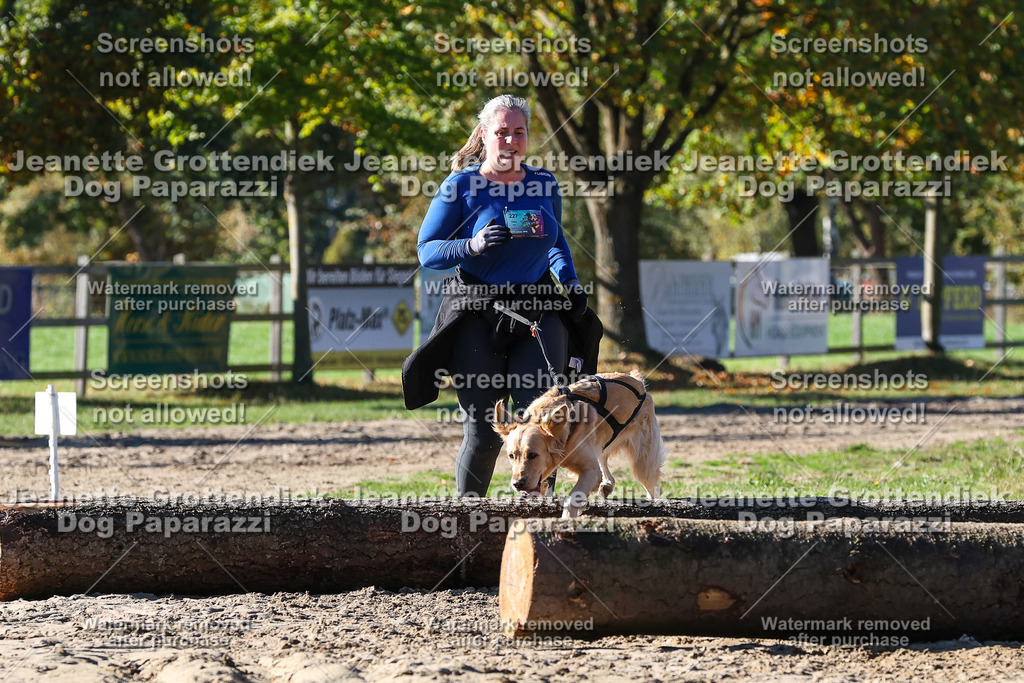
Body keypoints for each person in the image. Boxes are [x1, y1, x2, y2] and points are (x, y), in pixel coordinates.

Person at [401, 94, 601, 497]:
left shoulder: (543, 183)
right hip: (479, 312)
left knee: (544, 427)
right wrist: (471, 245)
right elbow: (427, 251)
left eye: (519, 133)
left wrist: (571, 283)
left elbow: (556, 242)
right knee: (484, 431)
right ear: (484, 135)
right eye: (502, 132)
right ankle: (466, 520)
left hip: (537, 311)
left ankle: (540, 524)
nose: (510, 141)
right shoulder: (460, 187)